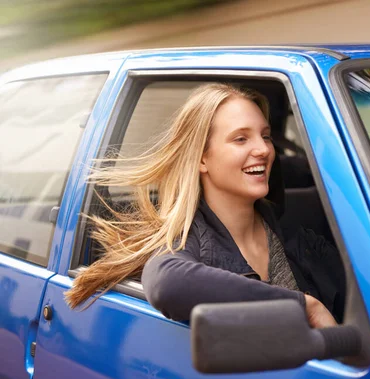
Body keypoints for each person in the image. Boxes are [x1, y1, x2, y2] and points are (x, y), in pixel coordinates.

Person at [64, 83, 345, 328]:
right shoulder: (187, 242)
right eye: (241, 138)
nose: (264, 149)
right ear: (202, 159)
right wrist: (304, 306)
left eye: (266, 135)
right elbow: (167, 283)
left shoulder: (297, 235)